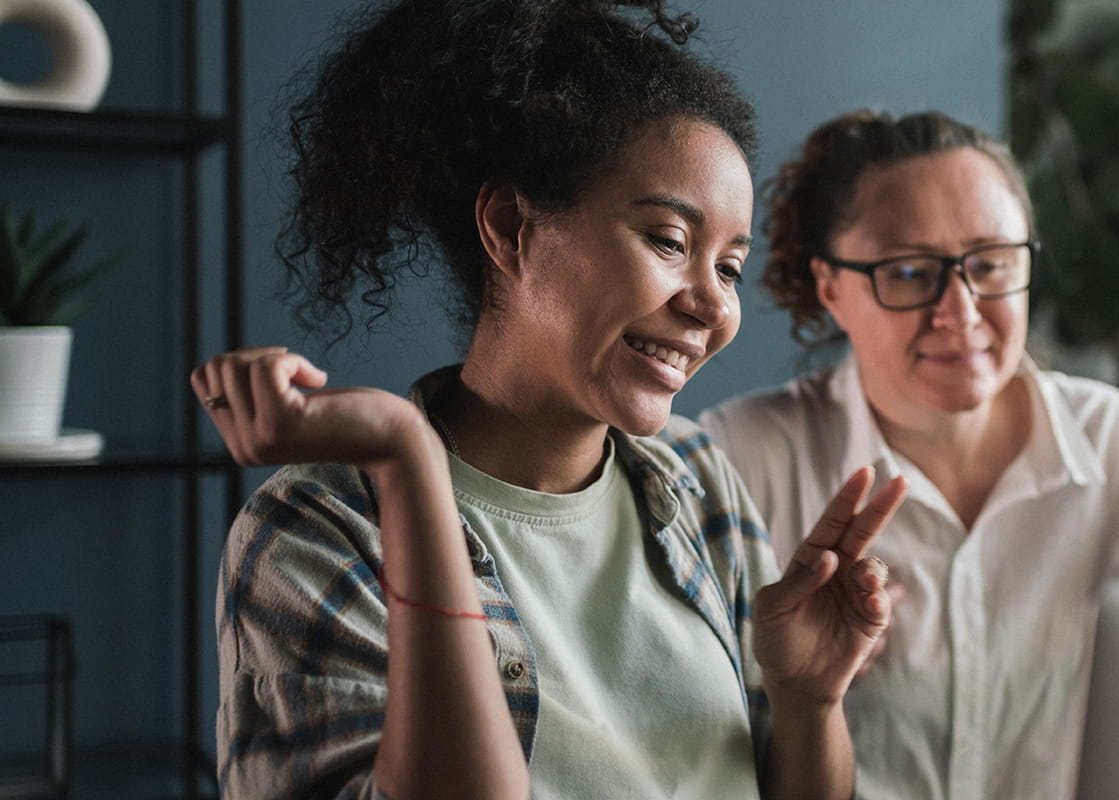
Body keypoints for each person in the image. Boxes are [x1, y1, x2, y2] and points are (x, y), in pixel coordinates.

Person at [190, 2, 904, 798]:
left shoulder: (697, 479)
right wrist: (406, 459)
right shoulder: (319, 533)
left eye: (730, 267)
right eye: (670, 240)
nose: (711, 306)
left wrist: (810, 702)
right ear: (510, 226)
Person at [699, 110, 1119, 799]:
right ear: (831, 286)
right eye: (911, 272)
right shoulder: (740, 460)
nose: (962, 311)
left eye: (991, 264)